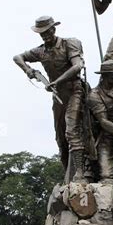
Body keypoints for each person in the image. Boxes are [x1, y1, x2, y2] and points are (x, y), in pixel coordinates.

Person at [13, 16, 88, 181]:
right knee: (60, 138)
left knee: (71, 131)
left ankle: (80, 173)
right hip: (58, 96)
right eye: (41, 33)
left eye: (47, 32)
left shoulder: (70, 43)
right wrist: (28, 70)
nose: (45, 36)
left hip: (74, 91)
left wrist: (58, 80)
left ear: (54, 29)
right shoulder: (40, 51)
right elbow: (17, 57)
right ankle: (68, 176)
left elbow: (77, 66)